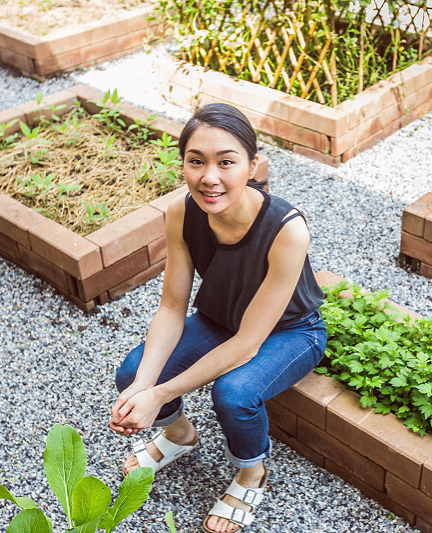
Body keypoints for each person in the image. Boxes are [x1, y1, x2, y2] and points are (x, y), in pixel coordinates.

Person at [110, 103, 327, 533]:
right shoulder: (181, 212)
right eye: (196, 161)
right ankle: (178, 435)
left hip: (291, 331)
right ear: (184, 164)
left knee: (234, 394)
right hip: (218, 318)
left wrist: (160, 393)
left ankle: (251, 473)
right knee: (133, 371)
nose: (209, 177)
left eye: (226, 161)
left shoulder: (287, 228)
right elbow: (172, 306)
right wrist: (142, 387)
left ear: (252, 164)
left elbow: (247, 343)